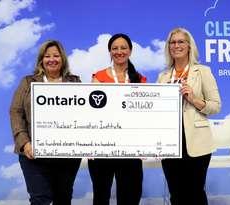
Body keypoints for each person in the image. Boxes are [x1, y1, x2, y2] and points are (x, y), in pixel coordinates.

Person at [10, 40, 82, 205]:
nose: (52, 59)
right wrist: (24, 143)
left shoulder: (75, 82)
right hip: (33, 154)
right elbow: (16, 112)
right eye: (47, 56)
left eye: (56, 55)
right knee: (39, 199)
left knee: (63, 199)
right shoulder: (28, 82)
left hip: (66, 156)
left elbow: (84, 115)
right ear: (41, 59)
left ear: (62, 58)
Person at [157, 28, 221, 205]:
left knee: (195, 193)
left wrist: (193, 99)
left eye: (180, 42)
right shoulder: (163, 76)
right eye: (173, 42)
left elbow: (215, 106)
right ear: (168, 47)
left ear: (189, 46)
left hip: (196, 142)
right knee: (175, 194)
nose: (176, 45)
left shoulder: (202, 72)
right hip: (171, 144)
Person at [88, 33, 146, 205]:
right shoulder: (98, 78)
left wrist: (146, 144)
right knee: (101, 197)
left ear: (130, 51)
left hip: (130, 148)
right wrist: (89, 143)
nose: (119, 51)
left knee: (130, 197)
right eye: (115, 48)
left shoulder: (140, 80)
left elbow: (144, 117)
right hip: (103, 147)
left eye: (123, 48)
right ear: (110, 52)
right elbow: (92, 114)